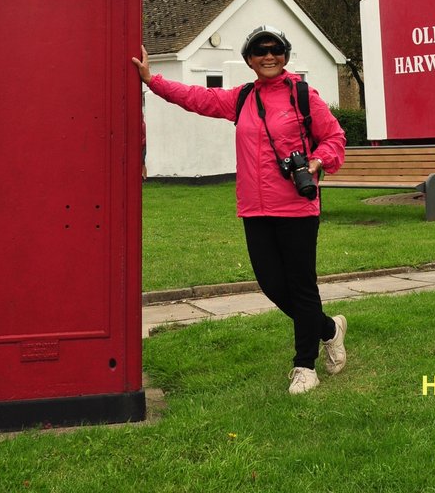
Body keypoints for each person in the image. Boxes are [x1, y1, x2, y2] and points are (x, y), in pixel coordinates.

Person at [132, 24, 347, 394]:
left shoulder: (303, 95)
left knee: (301, 286)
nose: (269, 56)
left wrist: (318, 160)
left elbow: (334, 137)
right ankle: (329, 329)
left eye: (275, 49)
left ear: (285, 55)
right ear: (249, 59)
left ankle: (305, 365)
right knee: (271, 284)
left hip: (296, 207)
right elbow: (197, 97)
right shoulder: (243, 98)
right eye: (260, 50)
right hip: (255, 208)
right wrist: (153, 80)